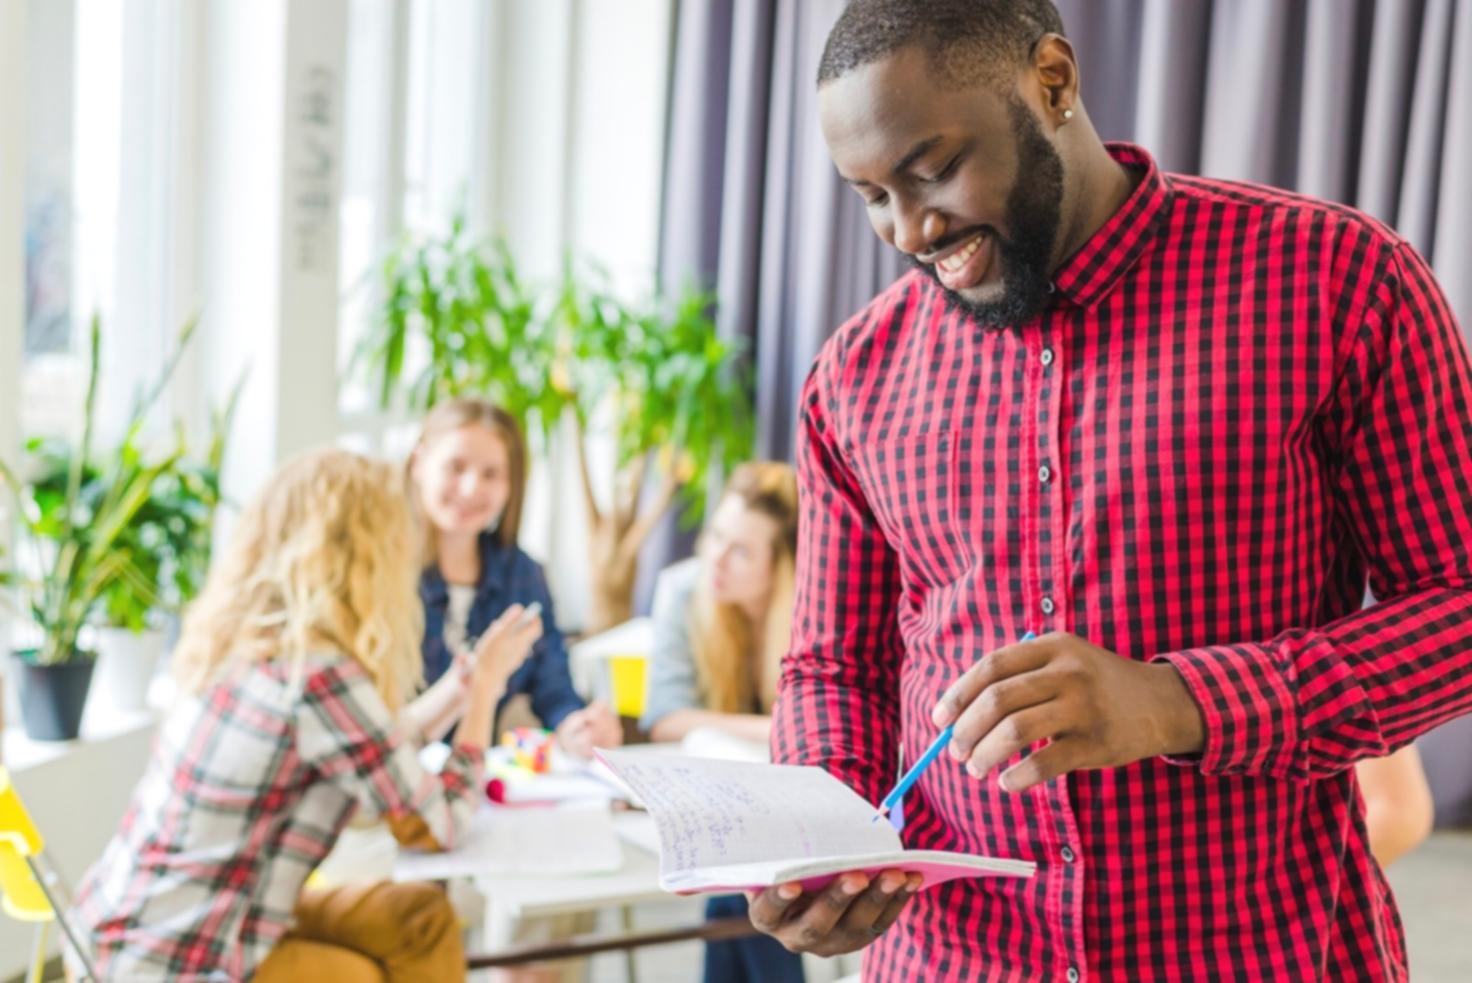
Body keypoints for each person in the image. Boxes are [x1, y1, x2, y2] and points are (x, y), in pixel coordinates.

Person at [749, 2, 1472, 979]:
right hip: (951, 959)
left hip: (1264, 953)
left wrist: (1180, 701)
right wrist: (822, 835)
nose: (911, 231)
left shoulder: (1338, 283)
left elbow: (1456, 609)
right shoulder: (852, 376)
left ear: (1051, 81)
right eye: (871, 195)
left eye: (932, 170)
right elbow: (833, 665)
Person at [72, 449, 544, 980]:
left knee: (418, 918)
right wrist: (484, 693)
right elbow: (442, 825)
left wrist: (460, 689)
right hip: (179, 960)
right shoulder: (319, 676)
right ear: (366, 556)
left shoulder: (253, 646)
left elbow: (372, 745)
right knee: (361, 973)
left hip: (129, 927)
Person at [641, 461, 805, 983]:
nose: (716, 558)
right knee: (746, 886)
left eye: (741, 550)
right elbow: (665, 718)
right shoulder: (683, 590)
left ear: (779, 565)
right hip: (724, 805)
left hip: (793, 811)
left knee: (743, 890)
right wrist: (778, 728)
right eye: (716, 535)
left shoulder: (810, 608)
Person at [402, 397, 622, 758]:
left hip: (481, 784)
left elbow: (554, 688)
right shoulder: (381, 572)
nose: (472, 488)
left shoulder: (522, 575)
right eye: (456, 466)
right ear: (418, 463)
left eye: (491, 474)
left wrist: (577, 728)